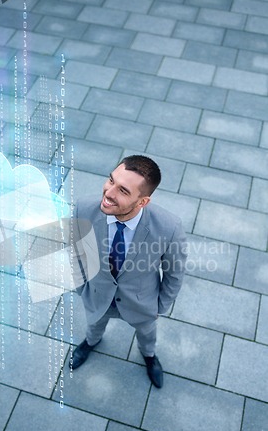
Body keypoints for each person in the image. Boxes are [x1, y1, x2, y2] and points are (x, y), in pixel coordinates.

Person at [70, 155, 187, 388]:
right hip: (98, 294)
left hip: (142, 302)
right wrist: (82, 288)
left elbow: (174, 273)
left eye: (123, 191)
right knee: (94, 325)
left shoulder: (169, 227)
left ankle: (149, 356)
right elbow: (76, 251)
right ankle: (91, 342)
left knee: (147, 334)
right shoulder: (84, 208)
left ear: (142, 202)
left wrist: (159, 306)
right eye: (111, 180)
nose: (109, 193)